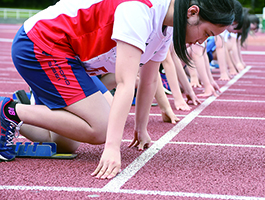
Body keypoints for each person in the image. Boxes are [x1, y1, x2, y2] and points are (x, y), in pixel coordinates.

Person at [1, 0, 235, 179]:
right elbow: (125, 82)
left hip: (69, 57)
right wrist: (112, 148)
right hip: (42, 43)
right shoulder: (140, 10)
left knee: (66, 143)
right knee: (102, 129)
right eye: (206, 34)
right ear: (192, 12)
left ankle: (27, 103)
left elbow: (149, 80)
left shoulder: (167, 26)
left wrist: (141, 129)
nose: (200, 42)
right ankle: (8, 111)